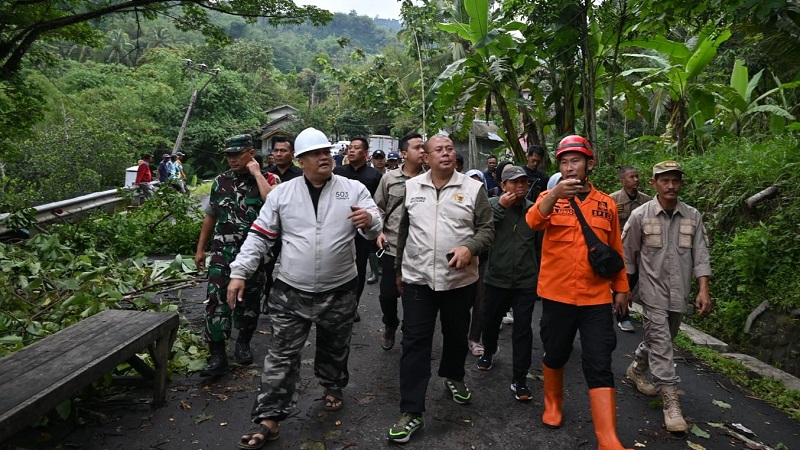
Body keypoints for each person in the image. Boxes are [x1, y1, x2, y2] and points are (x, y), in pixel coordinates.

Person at [227, 127, 382, 449]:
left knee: (334, 346)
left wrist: (370, 221)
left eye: (326, 151)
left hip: (340, 287)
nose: (324, 157)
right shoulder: (282, 194)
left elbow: (376, 224)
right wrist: (240, 272)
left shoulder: (352, 189)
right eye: (315, 153)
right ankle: (269, 418)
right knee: (281, 355)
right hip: (290, 290)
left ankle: (332, 384)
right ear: (301, 160)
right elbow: (259, 236)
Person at [525, 135, 631, 450]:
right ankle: (553, 404)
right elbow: (533, 221)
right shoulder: (549, 196)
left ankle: (607, 437)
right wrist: (554, 193)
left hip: (595, 298)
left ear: (589, 164)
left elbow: (615, 249)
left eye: (576, 161)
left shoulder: (606, 204)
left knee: (599, 361)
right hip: (557, 295)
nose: (570, 167)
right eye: (564, 162)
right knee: (556, 353)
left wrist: (622, 288)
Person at [387, 134, 494, 444]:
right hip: (418, 279)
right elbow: (404, 231)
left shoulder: (473, 189)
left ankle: (454, 376)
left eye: (449, 149)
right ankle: (412, 412)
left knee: (455, 335)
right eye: (438, 150)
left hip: (459, 281)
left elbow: (488, 229)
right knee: (415, 342)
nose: (446, 153)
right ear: (426, 157)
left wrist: (470, 248)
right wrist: (398, 269)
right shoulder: (411, 187)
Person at [622, 160, 712, 434]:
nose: (670, 185)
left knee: (663, 339)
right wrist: (623, 290)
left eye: (675, 180)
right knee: (662, 343)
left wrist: (703, 288)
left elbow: (701, 254)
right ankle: (671, 401)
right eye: (665, 180)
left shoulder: (692, 216)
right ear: (654, 184)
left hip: (679, 293)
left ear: (681, 183)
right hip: (651, 292)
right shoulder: (640, 215)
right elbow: (627, 255)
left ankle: (637, 367)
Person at [194, 135, 277, 378]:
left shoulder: (269, 179)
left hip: (254, 253)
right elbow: (211, 215)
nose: (232, 159)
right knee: (215, 299)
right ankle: (217, 354)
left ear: (251, 153)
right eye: (229, 155)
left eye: (237, 154)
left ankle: (242, 343)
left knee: (249, 301)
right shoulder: (221, 182)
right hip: (223, 250)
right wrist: (201, 248)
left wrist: (257, 174)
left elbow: (272, 203)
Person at [478, 165, 542, 403]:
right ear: (503, 186)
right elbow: (482, 229)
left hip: (525, 281)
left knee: (523, 330)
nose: (519, 187)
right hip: (496, 278)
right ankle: (489, 350)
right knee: (491, 320)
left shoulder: (533, 211)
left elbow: (539, 246)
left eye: (523, 183)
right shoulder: (492, 206)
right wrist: (501, 207)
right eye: (514, 183)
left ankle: (520, 378)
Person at [373, 132, 425, 350]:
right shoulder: (389, 178)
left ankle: (409, 333)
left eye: (424, 148)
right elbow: (378, 208)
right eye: (417, 148)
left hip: (419, 249)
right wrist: (378, 232)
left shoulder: (430, 178)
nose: (423, 151)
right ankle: (390, 324)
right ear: (404, 153)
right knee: (387, 295)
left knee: (414, 297)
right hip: (392, 246)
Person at [334, 137, 383, 318]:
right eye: (350, 148)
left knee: (359, 268)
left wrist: (376, 227)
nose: (351, 151)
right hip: (339, 227)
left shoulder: (374, 176)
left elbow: (378, 205)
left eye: (356, 148)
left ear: (365, 153)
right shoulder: (338, 172)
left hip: (363, 230)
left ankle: (353, 305)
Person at [609, 166, 652, 332]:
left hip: (641, 248)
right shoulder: (612, 200)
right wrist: (612, 211)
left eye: (637, 176)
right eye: (632, 177)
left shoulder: (647, 201)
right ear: (622, 181)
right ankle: (623, 316)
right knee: (624, 281)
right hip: (620, 248)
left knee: (632, 281)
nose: (636, 180)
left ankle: (619, 306)